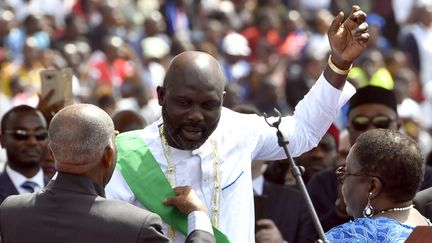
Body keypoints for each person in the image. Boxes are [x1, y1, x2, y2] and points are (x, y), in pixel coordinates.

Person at [106, 6, 369, 242]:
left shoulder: (239, 130)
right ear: (162, 96)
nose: (196, 116)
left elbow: (303, 132)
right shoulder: (128, 156)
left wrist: (339, 64)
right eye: (184, 103)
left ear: (222, 101)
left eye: (208, 105)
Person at [0, 104, 215, 243]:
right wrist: (199, 216)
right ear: (109, 155)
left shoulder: (12, 211)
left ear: (51, 151)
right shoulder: (136, 226)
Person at [326, 129, 430, 242]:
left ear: (372, 187)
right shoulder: (426, 227)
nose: (342, 181)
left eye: (345, 173)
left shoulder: (349, 236)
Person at [0, 105, 49, 204]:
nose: (32, 142)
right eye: (21, 135)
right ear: (2, 140)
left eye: (40, 135)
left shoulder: (65, 191)